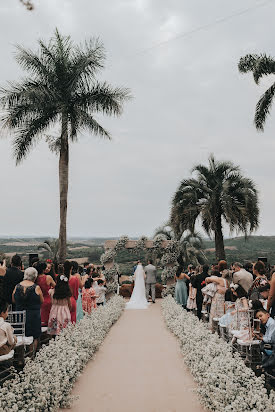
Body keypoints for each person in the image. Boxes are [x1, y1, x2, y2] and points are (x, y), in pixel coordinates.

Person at [12, 267, 43, 350]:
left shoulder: (17, 286)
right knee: (34, 336)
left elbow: (13, 300)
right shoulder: (36, 288)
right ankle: (31, 357)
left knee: (20, 335)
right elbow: (41, 300)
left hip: (19, 316)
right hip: (33, 316)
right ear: (35, 277)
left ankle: (20, 358)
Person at [47, 266, 72, 335]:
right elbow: (70, 305)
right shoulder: (67, 293)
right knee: (64, 330)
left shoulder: (51, 291)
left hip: (54, 310)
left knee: (54, 330)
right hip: (64, 310)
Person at [36, 261, 56, 326]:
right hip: (47, 300)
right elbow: (56, 286)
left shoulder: (35, 278)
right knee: (50, 321)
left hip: (38, 301)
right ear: (44, 269)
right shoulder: (48, 277)